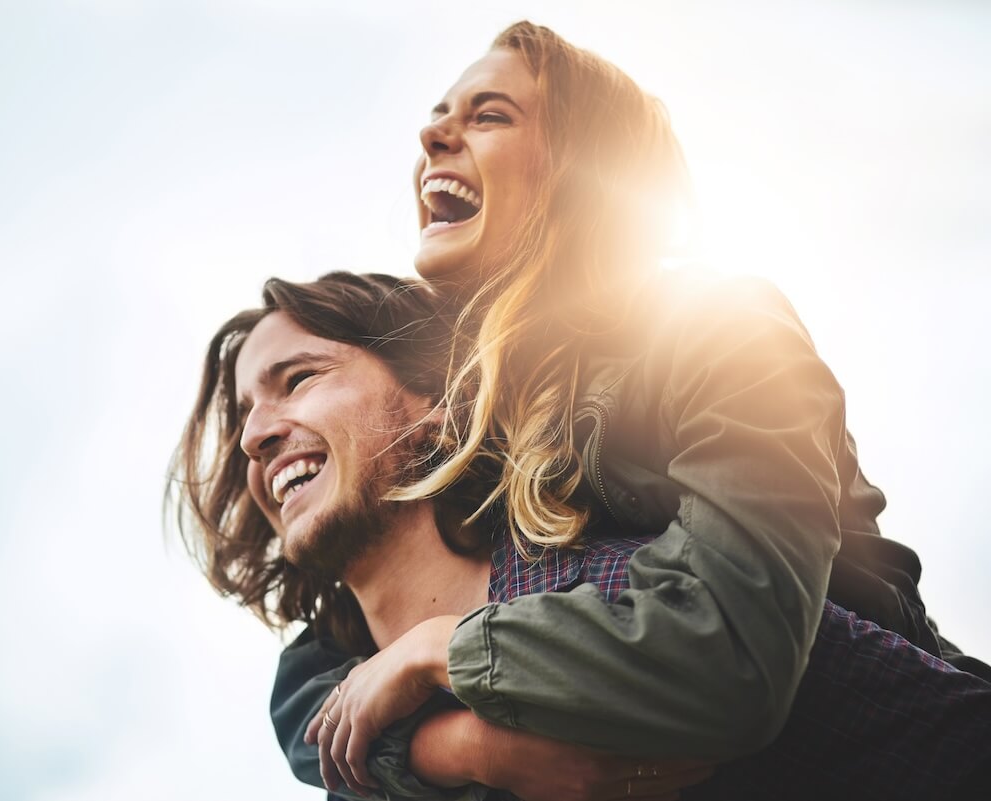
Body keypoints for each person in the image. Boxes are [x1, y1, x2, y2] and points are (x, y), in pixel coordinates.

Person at [247, 20, 990, 796]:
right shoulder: (485, 438)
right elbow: (317, 683)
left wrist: (447, 648)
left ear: (582, 172)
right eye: (439, 112)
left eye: (488, 114)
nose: (434, 133)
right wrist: (471, 748)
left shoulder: (718, 324)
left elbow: (730, 643)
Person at [169, 270, 991, 800]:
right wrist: (478, 749)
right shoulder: (364, 748)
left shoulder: (634, 597)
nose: (254, 437)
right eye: (245, 414)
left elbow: (941, 738)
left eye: (300, 379)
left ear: (433, 402)